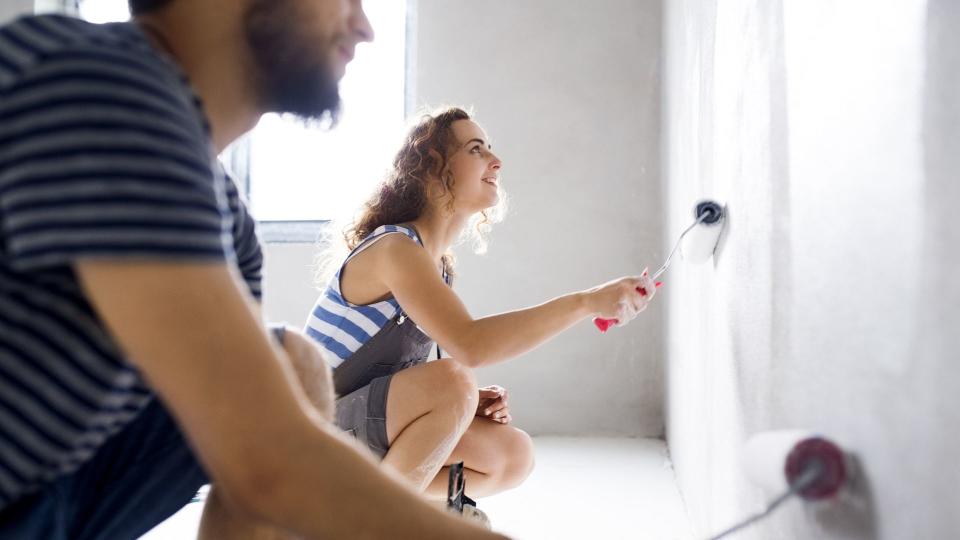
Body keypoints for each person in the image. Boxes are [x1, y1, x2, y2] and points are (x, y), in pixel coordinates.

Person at [0, 1, 509, 539]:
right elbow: (269, 461)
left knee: (290, 365)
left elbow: (258, 441)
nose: (364, 28)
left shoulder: (225, 219)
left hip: (54, 495)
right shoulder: (94, 83)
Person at [305, 106, 657, 519]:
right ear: (432, 167)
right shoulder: (395, 249)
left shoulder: (436, 265)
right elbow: (470, 346)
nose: (496, 160)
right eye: (476, 149)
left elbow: (411, 376)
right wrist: (585, 302)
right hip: (306, 440)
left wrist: (459, 408)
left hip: (349, 432)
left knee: (511, 454)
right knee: (454, 379)